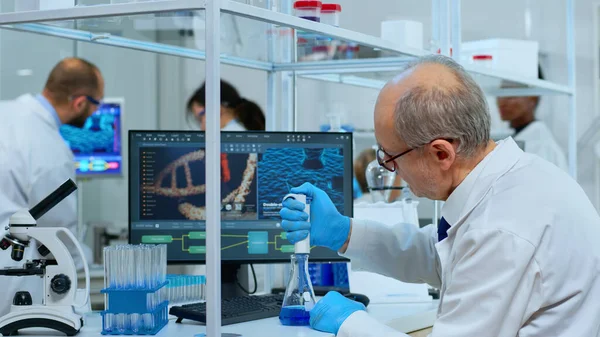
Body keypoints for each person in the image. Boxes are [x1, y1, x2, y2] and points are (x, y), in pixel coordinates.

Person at [280, 55, 600, 337]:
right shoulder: (516, 179)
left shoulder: (502, 228)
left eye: (391, 157)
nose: (390, 169)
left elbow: (476, 252)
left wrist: (350, 323)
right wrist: (345, 232)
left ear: (441, 154)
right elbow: (439, 257)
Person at [0, 57, 104, 317]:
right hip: (14, 280)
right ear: (80, 102)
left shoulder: (5, 112)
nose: (95, 113)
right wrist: (90, 261)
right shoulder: (50, 148)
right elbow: (58, 233)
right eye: (96, 105)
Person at [496, 65, 568, 171]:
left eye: (510, 94)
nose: (502, 101)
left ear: (533, 97)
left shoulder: (540, 146)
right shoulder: (521, 137)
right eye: (500, 92)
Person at [187, 79, 266, 131]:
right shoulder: (241, 130)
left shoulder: (225, 137)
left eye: (201, 116)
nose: (201, 127)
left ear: (217, 110)